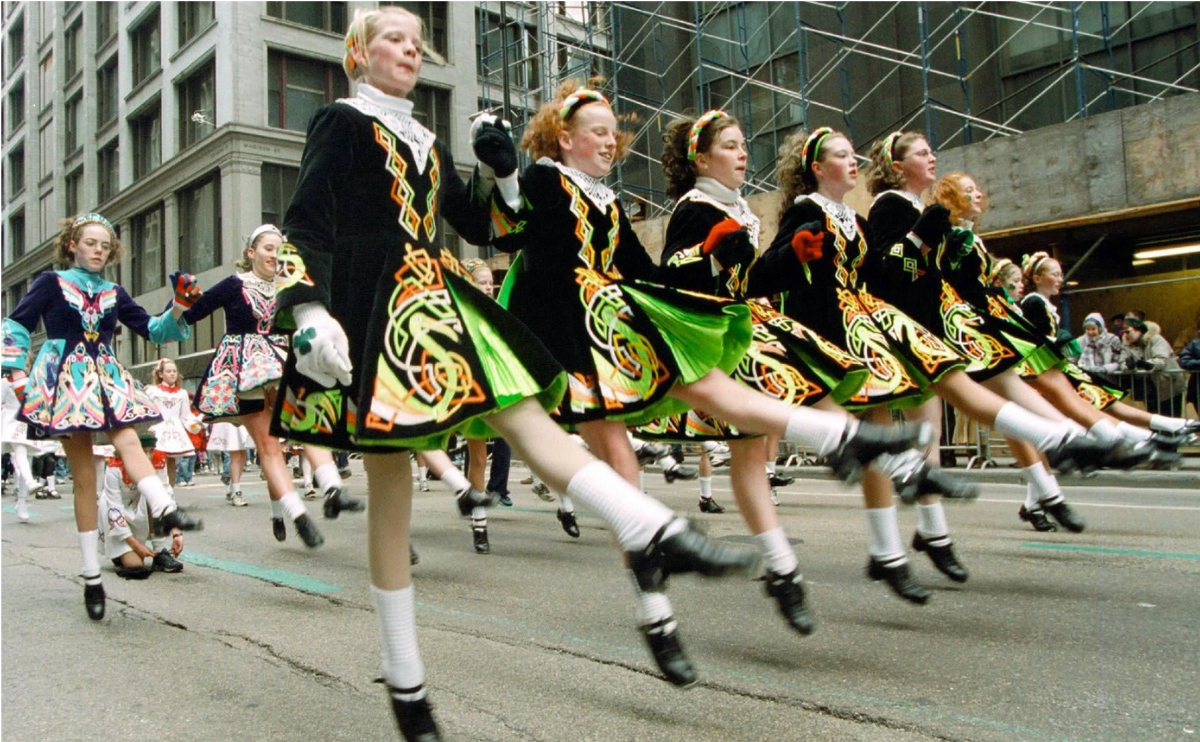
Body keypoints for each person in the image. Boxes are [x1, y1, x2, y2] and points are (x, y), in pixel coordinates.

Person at [267, 8, 770, 738]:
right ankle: (406, 678)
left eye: (416, 40)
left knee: (523, 408)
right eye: (393, 38)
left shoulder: (425, 137)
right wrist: (307, 309)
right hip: (372, 306)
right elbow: (305, 222)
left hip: (434, 298)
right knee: (390, 485)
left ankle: (653, 525)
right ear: (357, 52)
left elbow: (491, 230)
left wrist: (504, 173)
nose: (409, 49)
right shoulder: (340, 123)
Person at [0, 213, 201, 620]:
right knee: (84, 480)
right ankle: (92, 574)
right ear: (72, 245)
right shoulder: (50, 282)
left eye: (104, 246)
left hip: (106, 375)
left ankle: (165, 508)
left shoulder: (115, 291)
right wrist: (18, 375)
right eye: (90, 243)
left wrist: (178, 307)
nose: (97, 250)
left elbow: (153, 329)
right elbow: (16, 324)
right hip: (66, 379)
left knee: (128, 437)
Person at [180, 223, 363, 547]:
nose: (274, 254)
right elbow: (191, 313)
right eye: (267, 248)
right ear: (251, 253)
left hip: (284, 362)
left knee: (305, 423)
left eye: (280, 249)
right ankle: (296, 515)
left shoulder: (291, 286)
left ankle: (332, 488)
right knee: (269, 445)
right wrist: (180, 301)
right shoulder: (233, 285)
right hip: (244, 371)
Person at [145, 358, 200, 493]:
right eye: (168, 371)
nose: (172, 374)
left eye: (174, 371)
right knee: (155, 462)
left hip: (175, 431)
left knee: (171, 463)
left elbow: (186, 416)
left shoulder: (182, 393)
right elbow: (147, 410)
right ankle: (155, 494)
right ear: (160, 374)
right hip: (157, 429)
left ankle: (170, 494)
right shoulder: (152, 391)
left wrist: (197, 422)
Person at [1119, 316, 1187, 417]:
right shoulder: (1127, 345)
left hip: (1169, 385)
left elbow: (1162, 360)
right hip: (1150, 388)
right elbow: (1122, 363)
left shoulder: (1156, 339)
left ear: (1138, 330)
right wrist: (1129, 367)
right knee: (1154, 419)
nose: (1125, 335)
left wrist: (1146, 364)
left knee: (1171, 418)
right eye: (1123, 332)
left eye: (1128, 331)